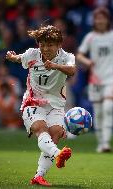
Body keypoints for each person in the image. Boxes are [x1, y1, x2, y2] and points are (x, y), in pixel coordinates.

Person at [5, 25, 76, 186]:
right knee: (40, 129)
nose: (45, 48)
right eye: (42, 44)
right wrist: (12, 57)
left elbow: (72, 71)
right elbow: (19, 58)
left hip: (56, 104)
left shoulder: (67, 57)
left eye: (50, 45)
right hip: (33, 101)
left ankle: (39, 176)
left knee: (56, 133)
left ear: (59, 45)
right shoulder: (32, 54)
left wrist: (56, 66)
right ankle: (58, 155)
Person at [76, 7, 113, 153]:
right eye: (97, 18)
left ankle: (107, 143)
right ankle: (101, 142)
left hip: (111, 77)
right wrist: (87, 61)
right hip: (96, 78)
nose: (100, 20)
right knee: (98, 111)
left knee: (108, 108)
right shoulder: (90, 37)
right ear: (94, 21)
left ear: (108, 19)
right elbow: (79, 55)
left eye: (103, 17)